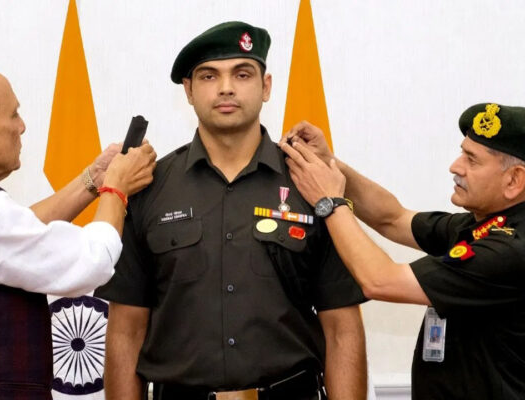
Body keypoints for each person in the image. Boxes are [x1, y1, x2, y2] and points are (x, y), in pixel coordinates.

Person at [95, 21, 367, 400]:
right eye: (209, 76)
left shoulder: (313, 185)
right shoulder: (149, 187)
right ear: (188, 91)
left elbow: (342, 327)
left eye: (242, 74)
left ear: (266, 87)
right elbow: (126, 332)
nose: (226, 88)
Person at [0, 67, 156, 399]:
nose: (22, 126)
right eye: (13, 114)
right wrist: (117, 188)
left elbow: (18, 235)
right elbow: (91, 261)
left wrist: (94, 178)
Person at [280, 105, 525, 399]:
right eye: (462, 153)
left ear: (514, 180)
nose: (456, 167)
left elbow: (381, 281)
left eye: (472, 160)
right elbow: (392, 218)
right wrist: (329, 163)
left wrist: (329, 202)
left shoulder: (510, 249)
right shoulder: (482, 226)